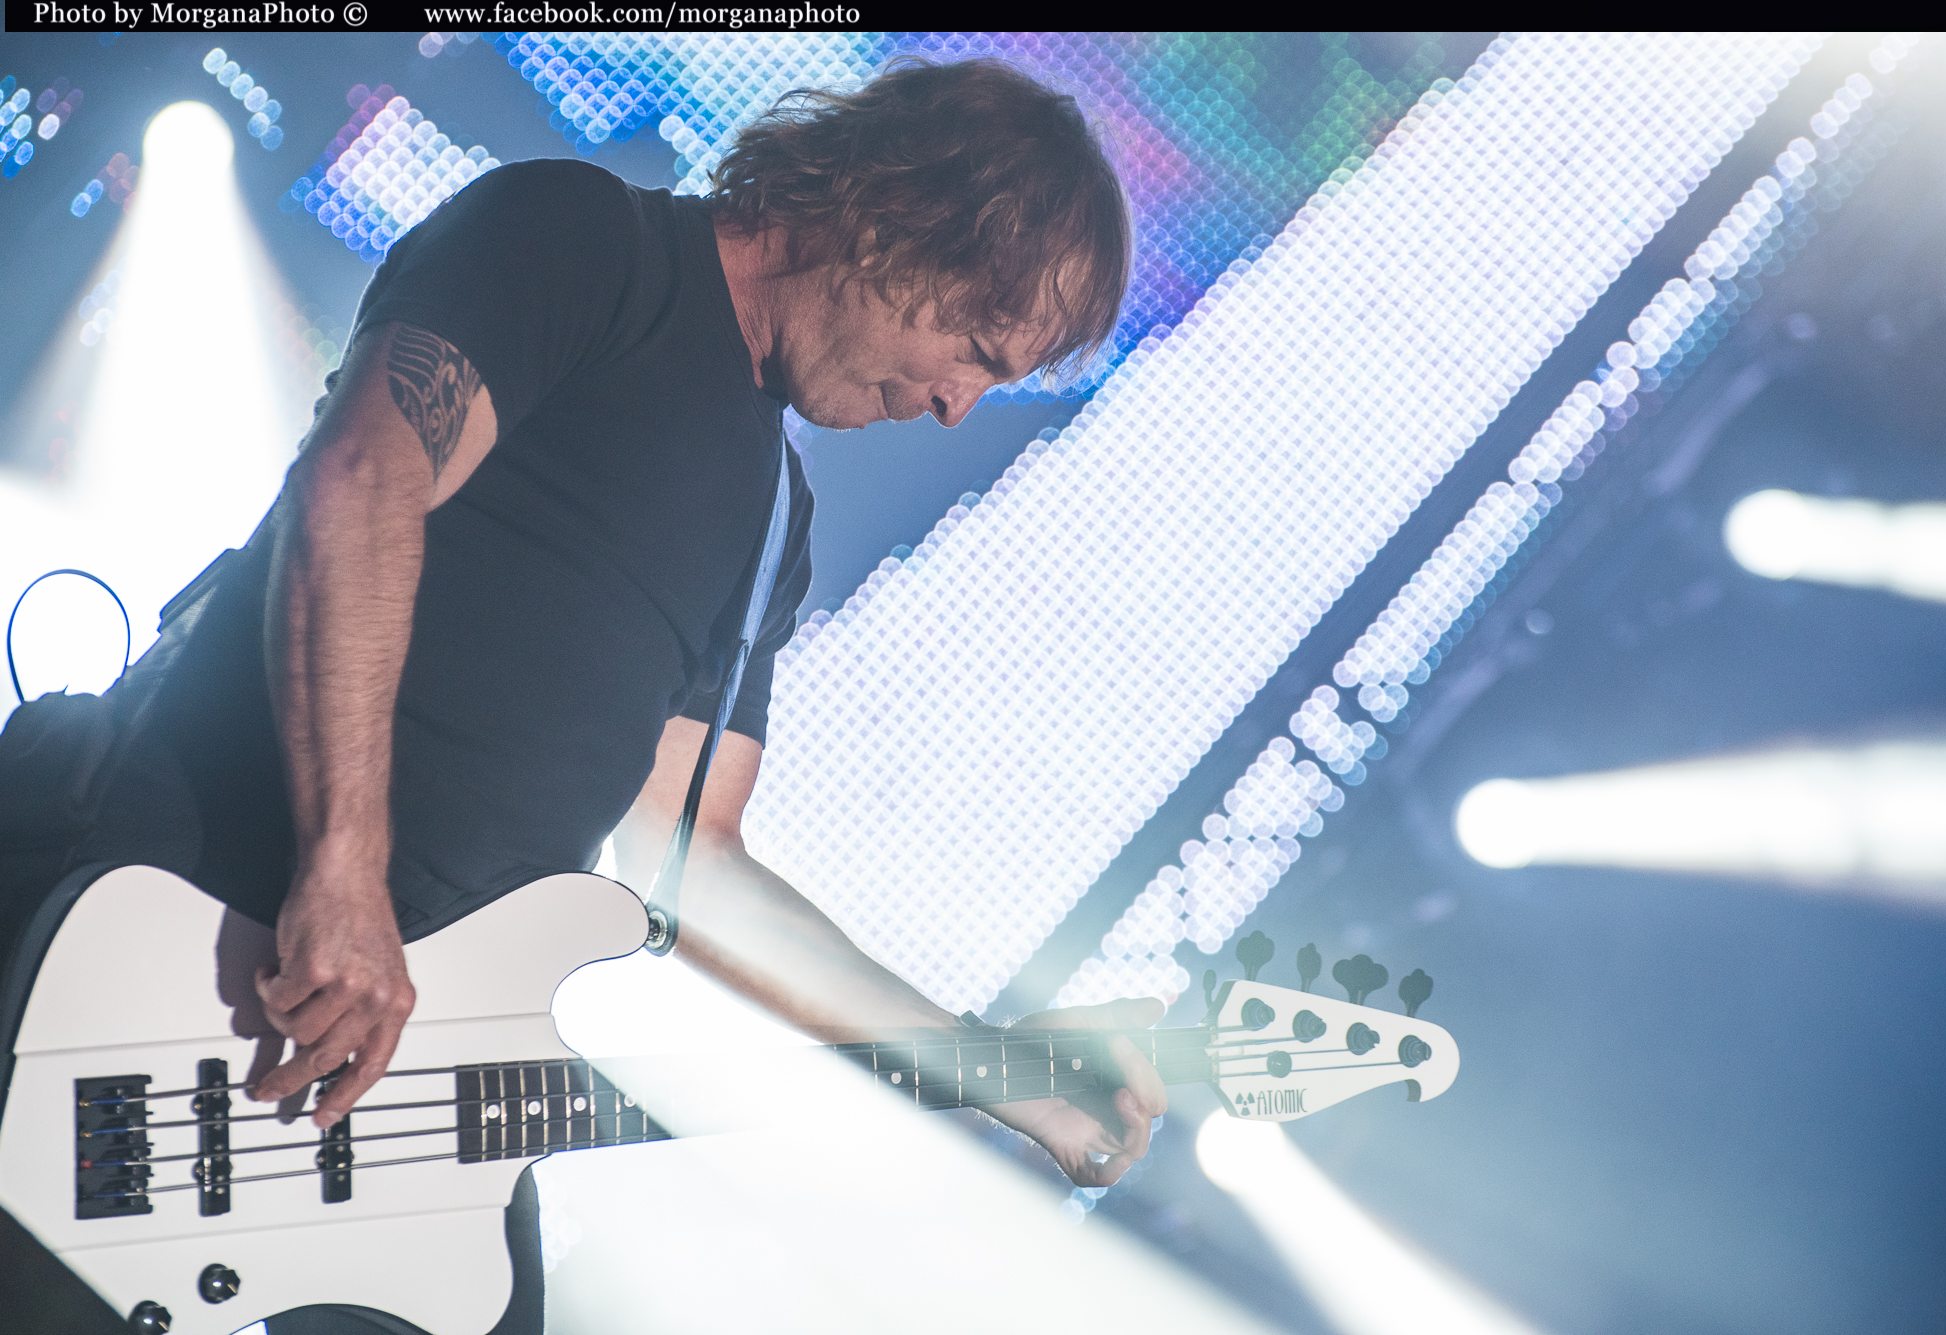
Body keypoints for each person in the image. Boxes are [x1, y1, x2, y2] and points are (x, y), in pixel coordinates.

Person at [0, 56, 1165, 1231]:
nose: (958, 404)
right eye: (976, 349)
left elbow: (689, 869)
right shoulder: (580, 240)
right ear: (901, 227)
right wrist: (345, 870)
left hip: (396, 1066)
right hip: (178, 921)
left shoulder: (775, 525)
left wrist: (992, 1068)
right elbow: (359, 484)